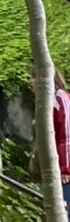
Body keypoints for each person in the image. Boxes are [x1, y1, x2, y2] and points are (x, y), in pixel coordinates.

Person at [29, 68, 70, 210]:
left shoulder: (61, 98)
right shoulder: (47, 103)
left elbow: (67, 133)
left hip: (65, 172)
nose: (31, 81)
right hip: (53, 168)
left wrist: (66, 169)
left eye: (34, 77)